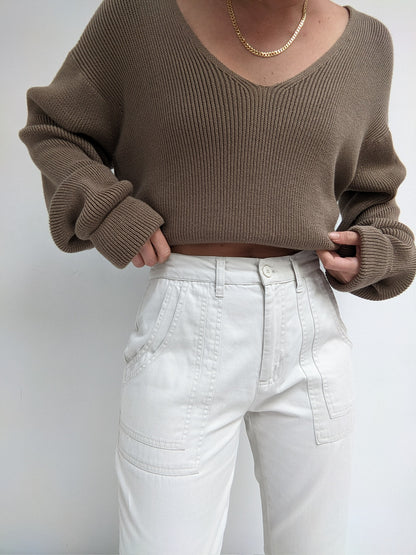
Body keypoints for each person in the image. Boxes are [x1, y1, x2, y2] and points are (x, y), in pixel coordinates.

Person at [18, 0, 416, 553]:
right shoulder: (139, 16)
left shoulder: (367, 45)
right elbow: (55, 127)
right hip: (184, 321)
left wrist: (376, 249)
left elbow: (373, 193)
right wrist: (108, 210)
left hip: (310, 324)